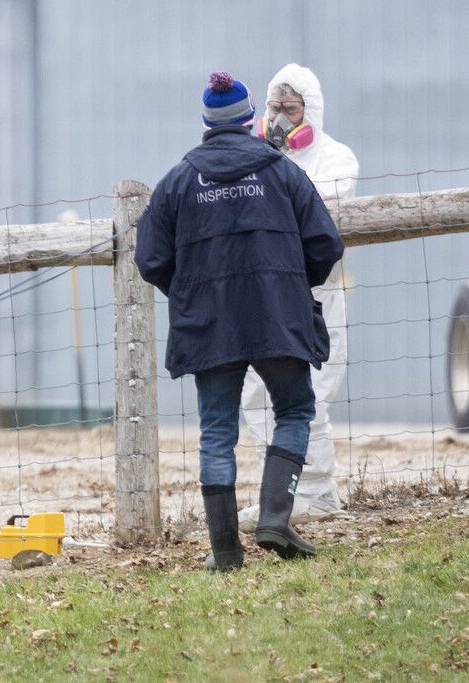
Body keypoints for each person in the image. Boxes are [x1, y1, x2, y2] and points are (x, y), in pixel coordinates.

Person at [134, 73, 344, 570]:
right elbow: (326, 244)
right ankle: (274, 516)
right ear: (250, 118)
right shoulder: (281, 170)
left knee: (216, 432)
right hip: (278, 313)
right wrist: (291, 283)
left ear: (207, 122)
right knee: (295, 410)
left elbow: (150, 258)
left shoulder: (179, 180)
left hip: (210, 324)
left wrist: (189, 292)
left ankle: (225, 552)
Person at [239, 64, 359, 530]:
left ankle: (317, 492)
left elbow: (320, 204)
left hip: (316, 294)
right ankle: (280, 492)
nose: (281, 119)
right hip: (265, 292)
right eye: (274, 108)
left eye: (290, 110)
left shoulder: (337, 158)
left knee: (313, 394)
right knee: (256, 393)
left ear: (311, 111)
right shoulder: (256, 155)